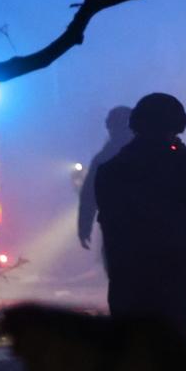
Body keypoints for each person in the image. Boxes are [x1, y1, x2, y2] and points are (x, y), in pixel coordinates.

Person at [91, 92, 186, 337]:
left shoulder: (111, 168)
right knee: (172, 344)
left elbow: (108, 218)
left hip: (126, 273)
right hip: (172, 271)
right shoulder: (180, 162)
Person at [76, 104, 133, 260]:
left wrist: (84, 227)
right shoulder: (154, 153)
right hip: (153, 232)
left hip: (116, 230)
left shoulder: (103, 158)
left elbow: (88, 196)